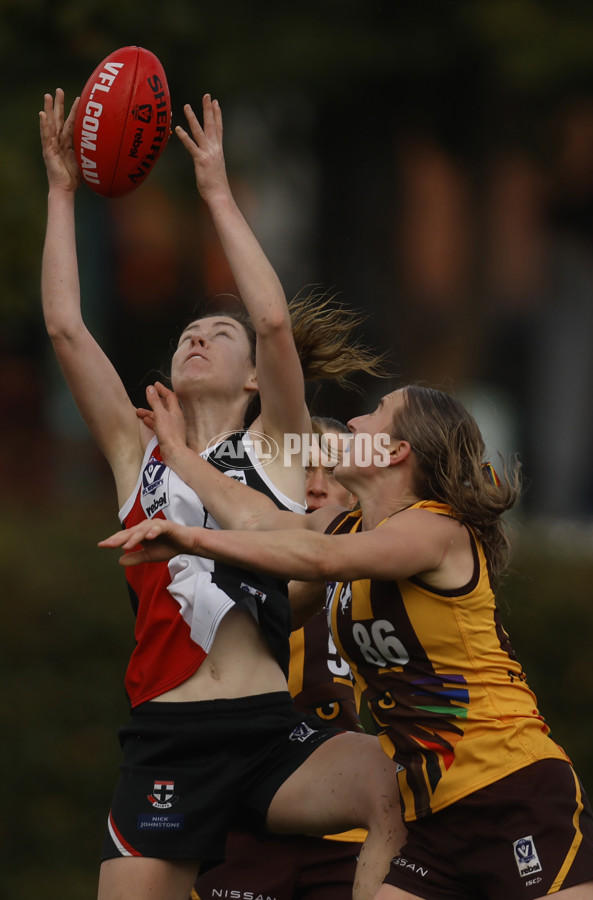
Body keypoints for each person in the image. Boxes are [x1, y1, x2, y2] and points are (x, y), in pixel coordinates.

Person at [39, 88, 404, 900]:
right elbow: (66, 327)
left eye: (218, 334)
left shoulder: (275, 449)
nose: (197, 335)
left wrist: (215, 190)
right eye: (187, 333)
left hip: (270, 736)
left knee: (388, 783)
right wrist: (63, 191)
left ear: (250, 379)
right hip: (168, 741)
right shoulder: (139, 456)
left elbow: (274, 323)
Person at [101, 384, 593, 899]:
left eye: (375, 413)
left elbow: (318, 558)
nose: (355, 422)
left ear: (395, 451)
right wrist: (178, 453)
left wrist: (189, 538)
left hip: (512, 788)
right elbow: (252, 517)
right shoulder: (352, 527)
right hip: (432, 816)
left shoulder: (435, 530)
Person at [192, 417, 363, 900]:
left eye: (334, 472)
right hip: (241, 817)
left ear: (358, 493)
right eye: (302, 470)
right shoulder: (225, 573)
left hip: (344, 824)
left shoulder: (379, 578)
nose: (315, 487)